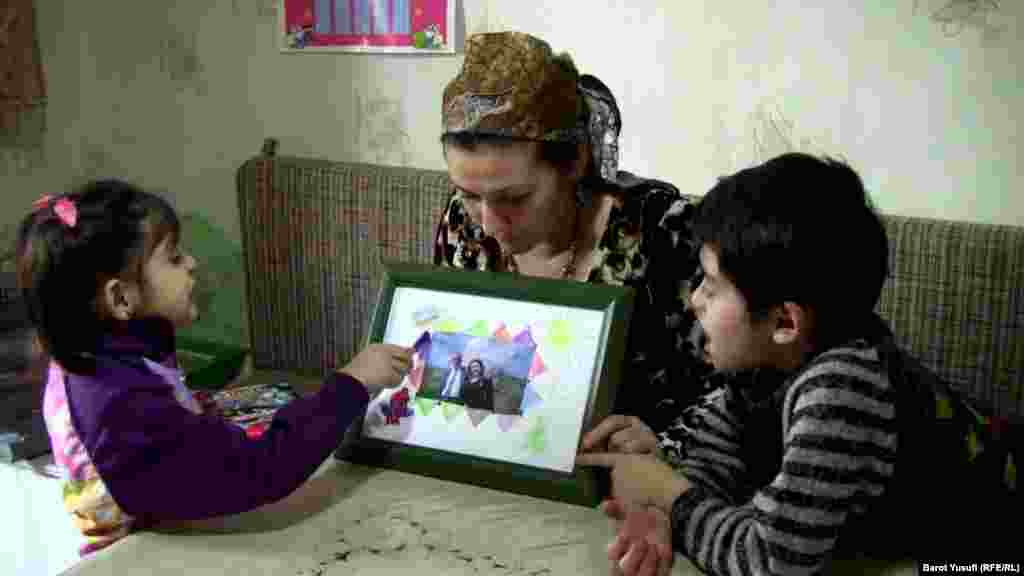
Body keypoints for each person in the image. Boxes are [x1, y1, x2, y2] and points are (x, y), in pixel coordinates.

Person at [576, 153, 1009, 575]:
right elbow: (713, 464)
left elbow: (770, 562)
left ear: (785, 321)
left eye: (711, 285)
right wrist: (660, 512)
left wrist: (672, 498)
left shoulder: (842, 388)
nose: (694, 300)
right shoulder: (763, 369)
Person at [15, 180, 413, 556]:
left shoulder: (94, 347)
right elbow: (263, 470)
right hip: (143, 558)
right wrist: (351, 384)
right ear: (120, 297)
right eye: (173, 256)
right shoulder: (119, 404)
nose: (191, 262)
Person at [433, 31, 712, 432]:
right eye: (469, 195)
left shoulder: (668, 233)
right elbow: (466, 375)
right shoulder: (462, 224)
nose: (489, 223)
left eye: (514, 198)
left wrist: (662, 450)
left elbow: (737, 394)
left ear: (575, 162)